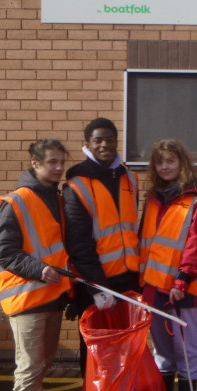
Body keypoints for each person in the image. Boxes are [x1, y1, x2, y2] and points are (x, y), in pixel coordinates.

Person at [0, 139, 74, 391]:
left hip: (51, 296)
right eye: (51, 162)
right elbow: (3, 251)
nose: (58, 167)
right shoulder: (16, 202)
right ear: (35, 163)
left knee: (43, 362)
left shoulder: (57, 198)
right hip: (26, 299)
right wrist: (39, 269)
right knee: (29, 366)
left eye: (61, 162)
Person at [138, 139, 197, 391]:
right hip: (152, 287)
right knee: (161, 346)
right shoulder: (152, 198)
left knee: (186, 345)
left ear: (181, 163)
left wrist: (182, 281)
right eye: (160, 162)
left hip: (181, 288)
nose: (165, 166)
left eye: (170, 161)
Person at [63, 118, 140, 377]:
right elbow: (79, 243)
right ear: (87, 144)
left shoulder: (130, 179)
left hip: (129, 279)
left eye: (110, 139)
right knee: (97, 351)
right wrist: (97, 287)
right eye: (98, 140)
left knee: (127, 346)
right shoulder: (76, 185)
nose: (105, 144)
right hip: (97, 284)